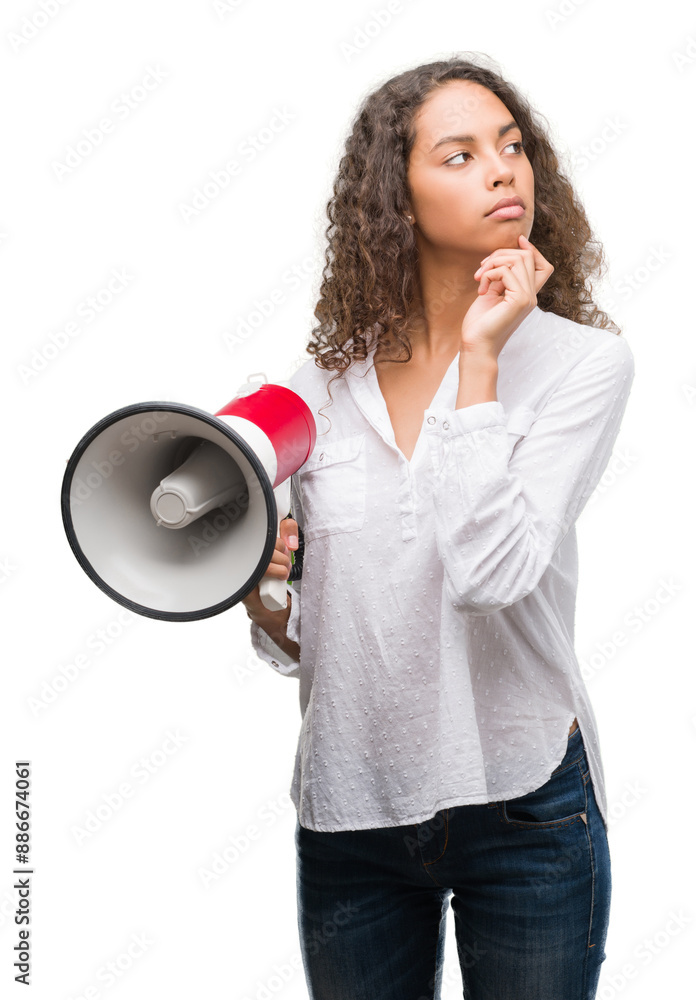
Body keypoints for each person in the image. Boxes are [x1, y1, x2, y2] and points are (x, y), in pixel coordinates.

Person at [241, 53, 635, 1000]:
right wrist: (268, 604)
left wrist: (481, 359)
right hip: (353, 809)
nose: (503, 169)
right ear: (398, 200)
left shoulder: (583, 365)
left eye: (511, 146)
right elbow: (323, 633)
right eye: (458, 155)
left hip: (524, 803)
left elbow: (491, 573)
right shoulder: (317, 387)